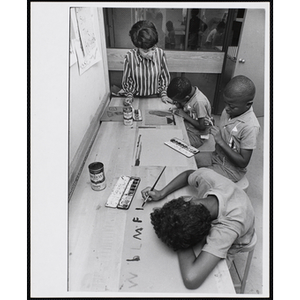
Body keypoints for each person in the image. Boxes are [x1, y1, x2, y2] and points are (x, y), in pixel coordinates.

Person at [141, 167, 256, 290]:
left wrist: (177, 236)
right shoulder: (208, 180)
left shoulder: (227, 228)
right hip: (228, 212)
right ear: (188, 199)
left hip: (234, 243)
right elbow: (187, 174)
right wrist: (161, 193)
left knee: (212, 284)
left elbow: (191, 279)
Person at [196, 75, 260, 182]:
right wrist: (212, 124)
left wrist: (220, 141)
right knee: (189, 160)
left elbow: (243, 162)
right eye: (225, 103)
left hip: (231, 169)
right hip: (217, 156)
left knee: (198, 177)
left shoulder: (250, 127)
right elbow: (227, 131)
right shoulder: (229, 111)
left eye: (232, 106)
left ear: (248, 104)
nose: (226, 108)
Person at [122, 20, 171, 106]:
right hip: (136, 98)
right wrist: (129, 96)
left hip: (156, 97)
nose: (151, 53)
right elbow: (128, 80)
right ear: (137, 47)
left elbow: (164, 77)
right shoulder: (130, 56)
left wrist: (164, 94)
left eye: (153, 48)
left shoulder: (160, 53)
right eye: (145, 50)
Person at [167, 77, 212, 148]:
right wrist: (177, 103)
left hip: (197, 134)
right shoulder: (189, 92)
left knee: (176, 145)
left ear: (186, 98)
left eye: (176, 100)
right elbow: (186, 105)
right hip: (187, 125)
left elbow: (202, 126)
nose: (175, 101)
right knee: (168, 132)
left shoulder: (199, 102)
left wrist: (184, 115)